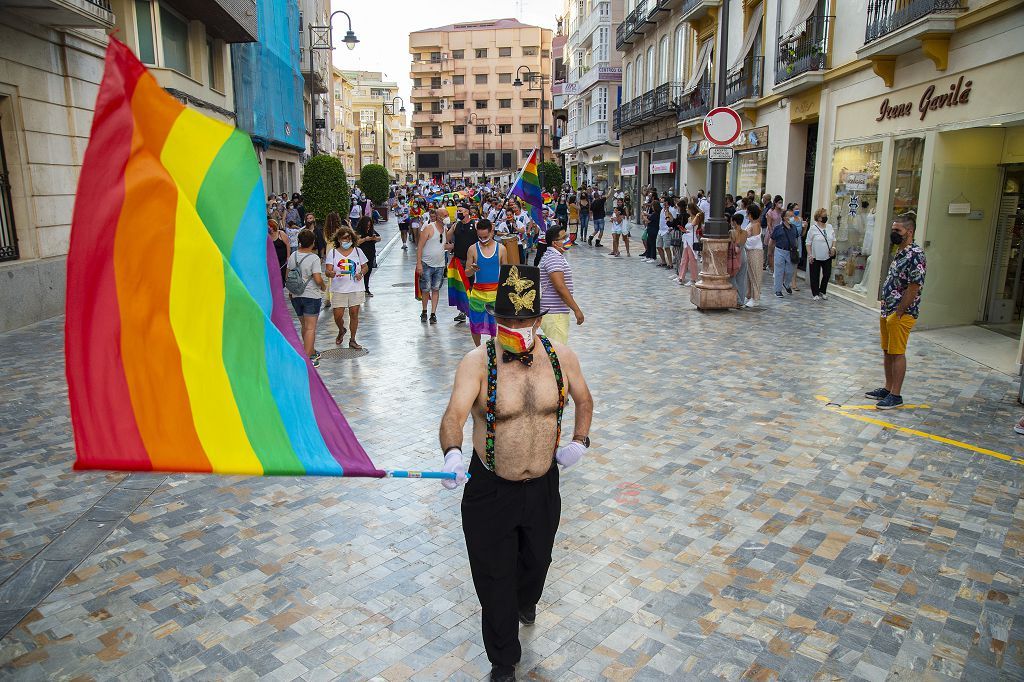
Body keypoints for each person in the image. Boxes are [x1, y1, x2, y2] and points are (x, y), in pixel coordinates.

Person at [438, 263, 594, 682]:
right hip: (491, 487)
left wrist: (580, 440)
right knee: (494, 577)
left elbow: (585, 400)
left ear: (539, 320)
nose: (516, 327)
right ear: (496, 320)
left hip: (543, 485)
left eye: (524, 320)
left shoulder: (561, 359)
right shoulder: (476, 362)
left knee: (536, 563)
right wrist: (452, 451)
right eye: (507, 320)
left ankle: (528, 598)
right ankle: (503, 659)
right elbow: (453, 415)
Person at [866, 214, 925, 410]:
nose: (894, 233)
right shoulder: (899, 252)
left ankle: (896, 394)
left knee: (898, 353)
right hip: (888, 310)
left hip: (901, 313)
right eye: (893, 230)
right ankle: (888, 388)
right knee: (887, 350)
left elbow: (914, 287)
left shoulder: (915, 254)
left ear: (909, 232)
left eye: (897, 230)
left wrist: (899, 312)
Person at [285, 229, 326, 367]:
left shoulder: (293, 256)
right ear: (313, 242)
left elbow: (288, 275)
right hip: (311, 295)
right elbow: (317, 278)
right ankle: (308, 359)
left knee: (304, 326)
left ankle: (311, 351)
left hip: (296, 295)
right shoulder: (314, 258)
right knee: (310, 328)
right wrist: (323, 286)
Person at [538, 225, 584, 344]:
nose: (567, 240)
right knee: (557, 354)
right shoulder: (554, 258)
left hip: (556, 312)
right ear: (554, 243)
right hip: (554, 314)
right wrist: (576, 309)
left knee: (556, 352)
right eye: (564, 238)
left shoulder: (554, 256)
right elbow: (560, 287)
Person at [325, 226, 369, 350]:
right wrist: (331, 273)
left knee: (354, 313)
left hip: (355, 288)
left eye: (348, 238)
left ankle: (353, 339)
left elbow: (365, 267)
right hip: (339, 289)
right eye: (343, 239)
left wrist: (361, 274)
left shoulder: (358, 252)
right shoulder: (332, 253)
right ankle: (341, 329)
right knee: (338, 315)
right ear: (338, 239)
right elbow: (327, 271)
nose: (346, 241)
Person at [466, 219, 508, 346]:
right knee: (475, 325)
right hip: (478, 294)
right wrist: (472, 269)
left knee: (495, 326)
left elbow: (506, 272)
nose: (483, 239)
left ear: (492, 232)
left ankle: (493, 348)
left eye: (485, 236)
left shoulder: (501, 249)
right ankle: (478, 349)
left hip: (496, 294)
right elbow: (467, 273)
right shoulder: (472, 249)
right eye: (480, 237)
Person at [417, 208, 448, 324]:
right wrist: (418, 263)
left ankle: (433, 313)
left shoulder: (445, 229)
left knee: (436, 289)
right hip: (426, 264)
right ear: (438, 216)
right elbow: (420, 246)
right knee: (426, 289)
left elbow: (442, 245)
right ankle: (424, 311)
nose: (447, 217)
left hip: (440, 265)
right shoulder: (429, 228)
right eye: (445, 215)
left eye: (447, 215)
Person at [447, 207, 477, 323]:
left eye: (462, 210)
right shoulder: (456, 225)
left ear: (467, 212)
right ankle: (462, 312)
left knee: (471, 285)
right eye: (458, 210)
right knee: (461, 286)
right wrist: (453, 224)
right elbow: (448, 237)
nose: (459, 212)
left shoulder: (474, 224)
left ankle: (473, 310)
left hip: (472, 261)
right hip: (459, 259)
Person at [806, 209, 836, 300]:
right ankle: (815, 293)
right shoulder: (813, 228)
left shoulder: (829, 227)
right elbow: (808, 242)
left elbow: (834, 239)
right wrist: (810, 254)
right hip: (815, 255)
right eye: (824, 215)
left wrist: (833, 248)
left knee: (827, 274)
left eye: (826, 215)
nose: (826, 217)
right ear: (819, 218)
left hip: (827, 255)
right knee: (814, 275)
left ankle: (822, 291)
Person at [771, 208, 799, 298]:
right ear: (784, 217)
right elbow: (772, 241)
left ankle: (786, 284)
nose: (792, 218)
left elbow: (796, 239)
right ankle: (778, 290)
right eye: (790, 216)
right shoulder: (778, 228)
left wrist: (796, 248)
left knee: (790, 271)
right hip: (780, 250)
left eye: (792, 216)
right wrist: (770, 252)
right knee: (779, 271)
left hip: (790, 251)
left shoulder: (794, 228)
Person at [355, 216, 380, 297]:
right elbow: (356, 242)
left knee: (368, 271)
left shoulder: (371, 230)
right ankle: (361, 288)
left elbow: (379, 238)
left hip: (370, 252)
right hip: (362, 253)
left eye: (370, 225)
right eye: (367, 225)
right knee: (362, 271)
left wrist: (374, 238)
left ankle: (366, 288)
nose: (368, 226)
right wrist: (365, 239)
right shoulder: (359, 231)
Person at [743, 204, 764, 307]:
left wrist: (744, 241)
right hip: (750, 251)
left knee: (755, 274)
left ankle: (755, 297)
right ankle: (750, 295)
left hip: (755, 251)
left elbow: (755, 239)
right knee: (750, 274)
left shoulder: (755, 225)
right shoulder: (751, 223)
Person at [677, 209, 702, 287]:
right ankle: (681, 277)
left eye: (688, 208)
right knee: (684, 259)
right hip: (687, 238)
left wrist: (697, 215)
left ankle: (693, 279)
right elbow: (688, 228)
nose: (687, 210)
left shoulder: (696, 217)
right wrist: (684, 230)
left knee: (692, 260)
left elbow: (693, 224)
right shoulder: (689, 218)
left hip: (692, 239)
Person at [728, 212, 748, 309]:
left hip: (735, 257)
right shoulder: (745, 232)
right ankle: (742, 300)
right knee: (741, 279)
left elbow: (733, 244)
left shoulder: (732, 232)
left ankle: (738, 300)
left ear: (734, 222)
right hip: (744, 255)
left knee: (732, 278)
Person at [655, 196, 677, 268]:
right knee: (658, 246)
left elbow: (673, 220)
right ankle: (663, 261)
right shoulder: (662, 210)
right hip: (660, 230)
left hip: (667, 230)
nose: (662, 203)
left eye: (664, 201)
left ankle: (670, 263)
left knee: (667, 247)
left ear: (667, 202)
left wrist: (670, 229)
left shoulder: (672, 209)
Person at [269, 219, 290, 286]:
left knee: (282, 275)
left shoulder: (280, 233)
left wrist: (288, 256)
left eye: (271, 227)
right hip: (273, 260)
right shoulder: (267, 236)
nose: (270, 229)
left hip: (283, 260)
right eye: (269, 227)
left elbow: (288, 244)